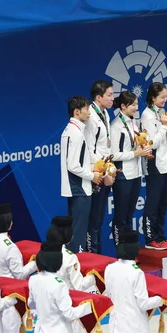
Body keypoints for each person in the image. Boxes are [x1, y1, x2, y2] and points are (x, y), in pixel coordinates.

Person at [0, 203, 37, 333]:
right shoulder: (10, 247)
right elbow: (19, 275)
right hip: (9, 299)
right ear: (9, 223)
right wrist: (35, 263)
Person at [60, 95, 102, 253]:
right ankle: (77, 267)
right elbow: (73, 165)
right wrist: (93, 176)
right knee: (78, 232)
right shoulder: (76, 134)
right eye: (86, 108)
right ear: (77, 112)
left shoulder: (72, 130)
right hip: (79, 188)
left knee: (75, 229)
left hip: (76, 187)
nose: (89, 111)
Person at [110, 91, 151, 244]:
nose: (136, 108)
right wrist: (135, 153)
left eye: (136, 104)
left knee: (129, 215)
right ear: (123, 106)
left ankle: (127, 253)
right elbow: (113, 155)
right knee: (120, 217)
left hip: (136, 174)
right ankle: (119, 252)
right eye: (133, 105)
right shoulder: (116, 126)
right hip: (123, 175)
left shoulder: (133, 122)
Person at [104, 230, 162, 333]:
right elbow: (143, 304)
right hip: (134, 328)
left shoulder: (109, 268)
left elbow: (108, 295)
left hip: (115, 328)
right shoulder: (136, 273)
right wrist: (161, 299)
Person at [28, 242, 92, 333]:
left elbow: (31, 304)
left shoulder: (33, 279)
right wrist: (90, 306)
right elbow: (69, 314)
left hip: (40, 332)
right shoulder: (59, 284)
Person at [141, 82, 167, 250]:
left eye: (165, 95)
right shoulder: (147, 115)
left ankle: (160, 236)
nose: (165, 99)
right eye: (162, 97)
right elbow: (151, 143)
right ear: (153, 98)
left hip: (166, 164)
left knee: (163, 202)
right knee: (153, 203)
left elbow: (164, 139)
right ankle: (150, 238)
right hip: (154, 164)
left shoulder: (161, 112)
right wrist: (164, 127)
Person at [85, 80, 115, 254]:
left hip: (105, 169)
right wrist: (102, 173)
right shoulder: (91, 115)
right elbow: (90, 148)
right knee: (94, 219)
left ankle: (99, 256)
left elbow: (105, 145)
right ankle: (92, 256)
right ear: (98, 97)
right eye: (109, 95)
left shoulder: (105, 113)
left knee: (100, 218)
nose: (113, 99)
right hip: (96, 173)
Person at [45, 216, 96, 292]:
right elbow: (79, 286)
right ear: (69, 237)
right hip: (68, 297)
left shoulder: (43, 251)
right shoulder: (70, 257)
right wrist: (93, 277)